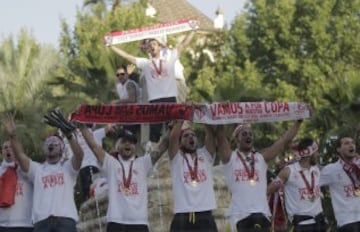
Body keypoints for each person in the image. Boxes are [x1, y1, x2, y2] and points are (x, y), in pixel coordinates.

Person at [78, 124, 169, 232]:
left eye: (131, 142)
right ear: (117, 146)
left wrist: (174, 126)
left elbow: (163, 146)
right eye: (124, 141)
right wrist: (82, 127)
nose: (128, 144)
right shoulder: (111, 163)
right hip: (116, 222)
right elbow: (94, 146)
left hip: (139, 222)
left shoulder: (143, 163)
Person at [2, 111, 83, 232]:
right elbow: (19, 155)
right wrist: (13, 136)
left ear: (61, 150)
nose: (50, 144)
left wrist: (69, 135)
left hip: (65, 221)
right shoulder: (37, 169)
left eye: (55, 143)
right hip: (42, 223)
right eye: (47, 143)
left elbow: (79, 155)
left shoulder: (68, 168)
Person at [109, 31, 195, 144]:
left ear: (160, 47)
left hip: (171, 100)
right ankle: (153, 157)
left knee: (175, 130)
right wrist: (111, 46)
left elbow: (183, 44)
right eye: (149, 45)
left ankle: (177, 154)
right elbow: (126, 56)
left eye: (154, 44)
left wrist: (193, 30)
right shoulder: (145, 63)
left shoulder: (169, 59)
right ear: (148, 50)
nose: (152, 46)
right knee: (154, 135)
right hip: (155, 102)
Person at [216, 121, 302, 232]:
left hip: (262, 214)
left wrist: (298, 122)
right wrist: (220, 118)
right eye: (244, 134)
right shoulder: (230, 158)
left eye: (250, 134)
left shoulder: (261, 158)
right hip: (239, 214)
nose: (248, 136)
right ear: (236, 138)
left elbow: (283, 141)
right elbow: (221, 137)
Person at [267, 137, 328, 232]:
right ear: (309, 153)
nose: (318, 154)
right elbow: (269, 190)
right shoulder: (288, 171)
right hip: (302, 225)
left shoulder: (316, 169)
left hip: (320, 223)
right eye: (316, 152)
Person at [167, 120, 218, 232]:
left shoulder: (205, 156)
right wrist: (181, 119)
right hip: (183, 214)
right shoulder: (176, 158)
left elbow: (210, 135)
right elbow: (173, 139)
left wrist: (205, 118)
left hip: (205, 213)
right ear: (180, 143)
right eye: (186, 136)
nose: (191, 137)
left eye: (193, 135)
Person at [320, 133, 360, 232]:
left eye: (352, 143)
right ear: (338, 149)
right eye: (346, 143)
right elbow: (312, 183)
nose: (351, 145)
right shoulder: (331, 170)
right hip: (347, 221)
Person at [63, 123, 113, 202]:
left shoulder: (74, 138)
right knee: (98, 192)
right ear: (93, 126)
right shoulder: (95, 134)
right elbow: (109, 127)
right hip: (94, 168)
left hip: (80, 170)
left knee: (86, 196)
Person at [0, 140, 33, 232]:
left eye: (11, 147)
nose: (8, 150)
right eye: (5, 148)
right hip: (2, 224)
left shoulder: (29, 168)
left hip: (25, 224)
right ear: (2, 152)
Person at [113, 64, 142, 136]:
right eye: (118, 74)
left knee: (129, 136)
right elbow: (116, 81)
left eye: (122, 74)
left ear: (126, 74)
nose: (120, 76)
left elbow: (132, 100)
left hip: (137, 114)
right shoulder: (119, 86)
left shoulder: (129, 84)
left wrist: (117, 101)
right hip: (128, 115)